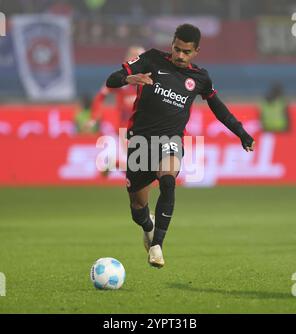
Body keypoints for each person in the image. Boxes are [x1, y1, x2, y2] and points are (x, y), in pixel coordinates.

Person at [106, 24, 255, 268]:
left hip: (170, 141)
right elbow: (111, 80)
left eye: (186, 52)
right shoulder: (151, 59)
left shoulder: (200, 77)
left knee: (168, 180)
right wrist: (127, 78)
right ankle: (148, 227)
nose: (180, 56)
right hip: (140, 143)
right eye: (177, 49)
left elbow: (217, 107)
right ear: (172, 44)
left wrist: (240, 132)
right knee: (137, 207)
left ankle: (157, 246)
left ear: (196, 51)